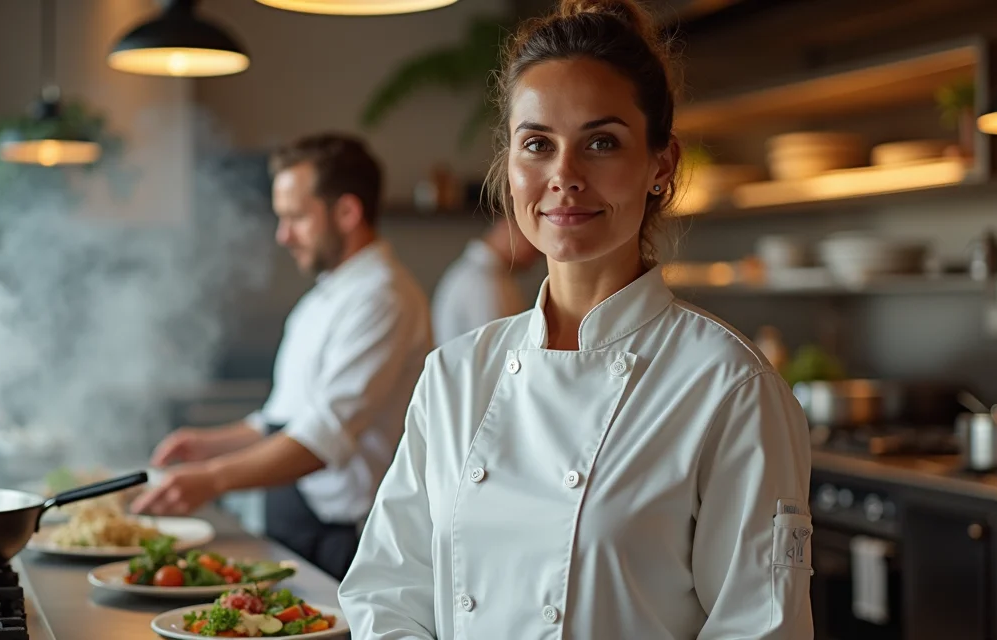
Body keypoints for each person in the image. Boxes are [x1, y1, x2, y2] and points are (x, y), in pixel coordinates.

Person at [337, 0, 813, 637]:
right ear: (509, 165)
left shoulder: (728, 388)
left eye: (601, 142)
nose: (563, 176)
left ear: (661, 165)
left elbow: (760, 629)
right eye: (537, 144)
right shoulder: (455, 376)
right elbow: (387, 592)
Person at [132, 133, 433, 580]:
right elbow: (282, 418)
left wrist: (212, 478)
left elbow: (324, 436)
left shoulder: (383, 297)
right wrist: (205, 444)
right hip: (297, 523)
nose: (283, 235)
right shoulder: (325, 297)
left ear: (348, 212)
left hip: (346, 539)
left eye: (295, 218)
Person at [430, 216, 541, 345]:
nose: (538, 250)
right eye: (532, 238)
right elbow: (498, 350)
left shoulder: (488, 276)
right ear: (507, 227)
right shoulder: (481, 282)